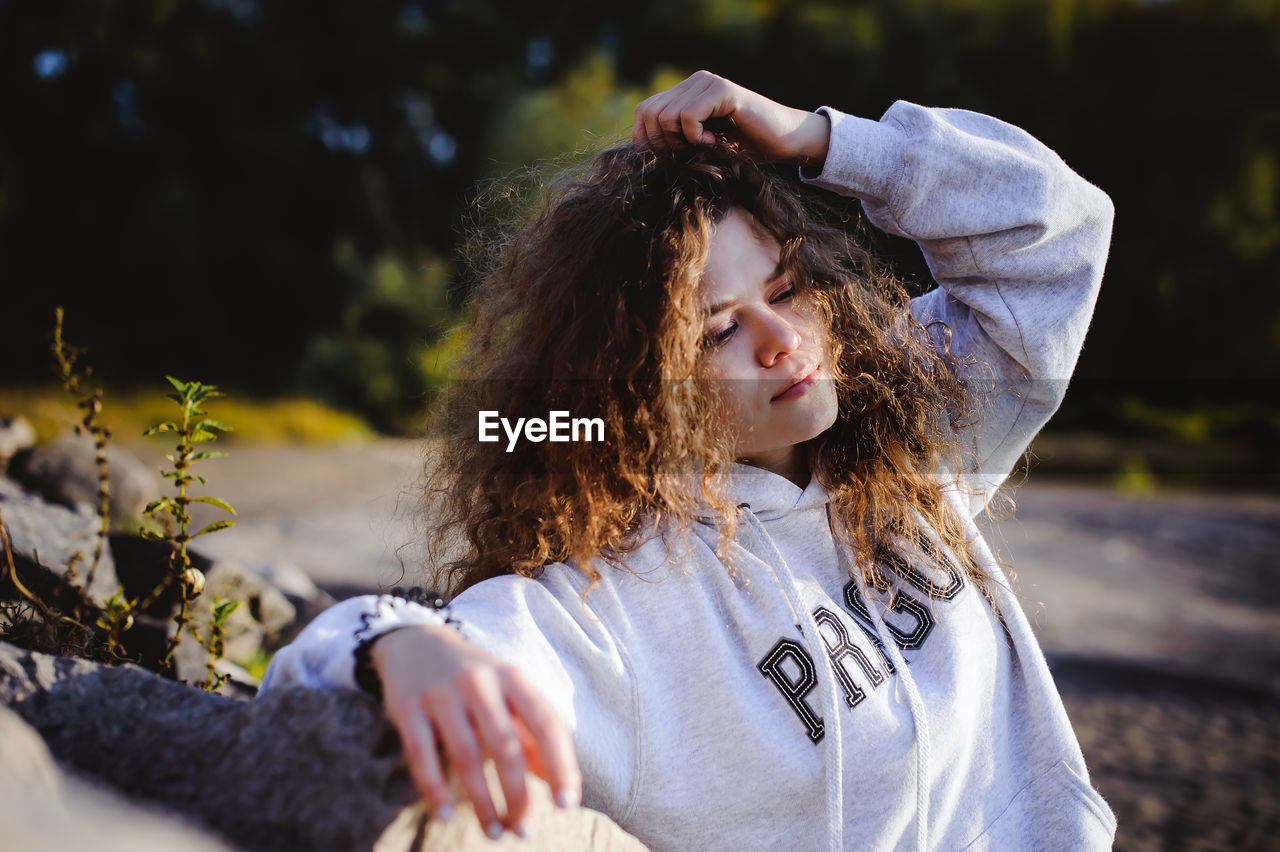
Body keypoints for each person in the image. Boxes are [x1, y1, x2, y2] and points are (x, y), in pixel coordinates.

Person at [260, 71, 1117, 850]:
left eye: (784, 290)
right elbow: (358, 654)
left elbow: (1059, 236)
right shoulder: (619, 606)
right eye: (719, 331)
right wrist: (399, 644)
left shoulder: (910, 434)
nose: (783, 342)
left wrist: (821, 140)